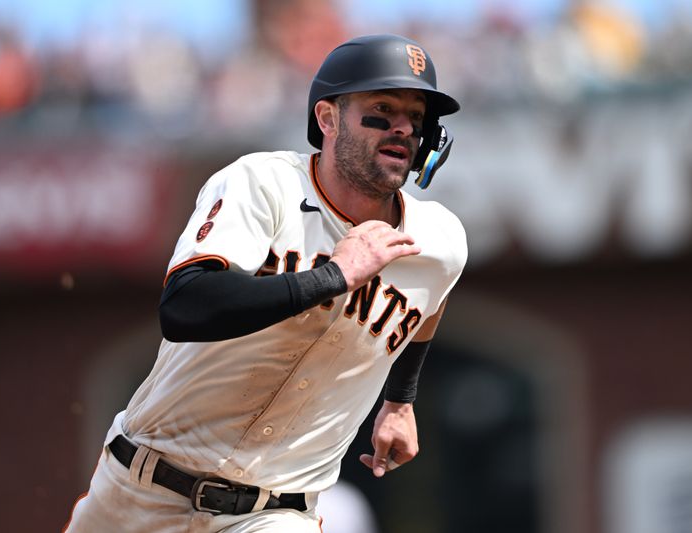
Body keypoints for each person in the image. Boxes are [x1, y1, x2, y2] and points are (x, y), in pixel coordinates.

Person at [64, 33, 467, 533]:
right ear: (327, 119)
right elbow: (187, 305)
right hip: (143, 492)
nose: (403, 128)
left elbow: (430, 304)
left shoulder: (440, 239)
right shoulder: (264, 184)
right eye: (382, 109)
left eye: (417, 116)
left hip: (276, 512)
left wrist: (400, 401)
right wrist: (332, 277)